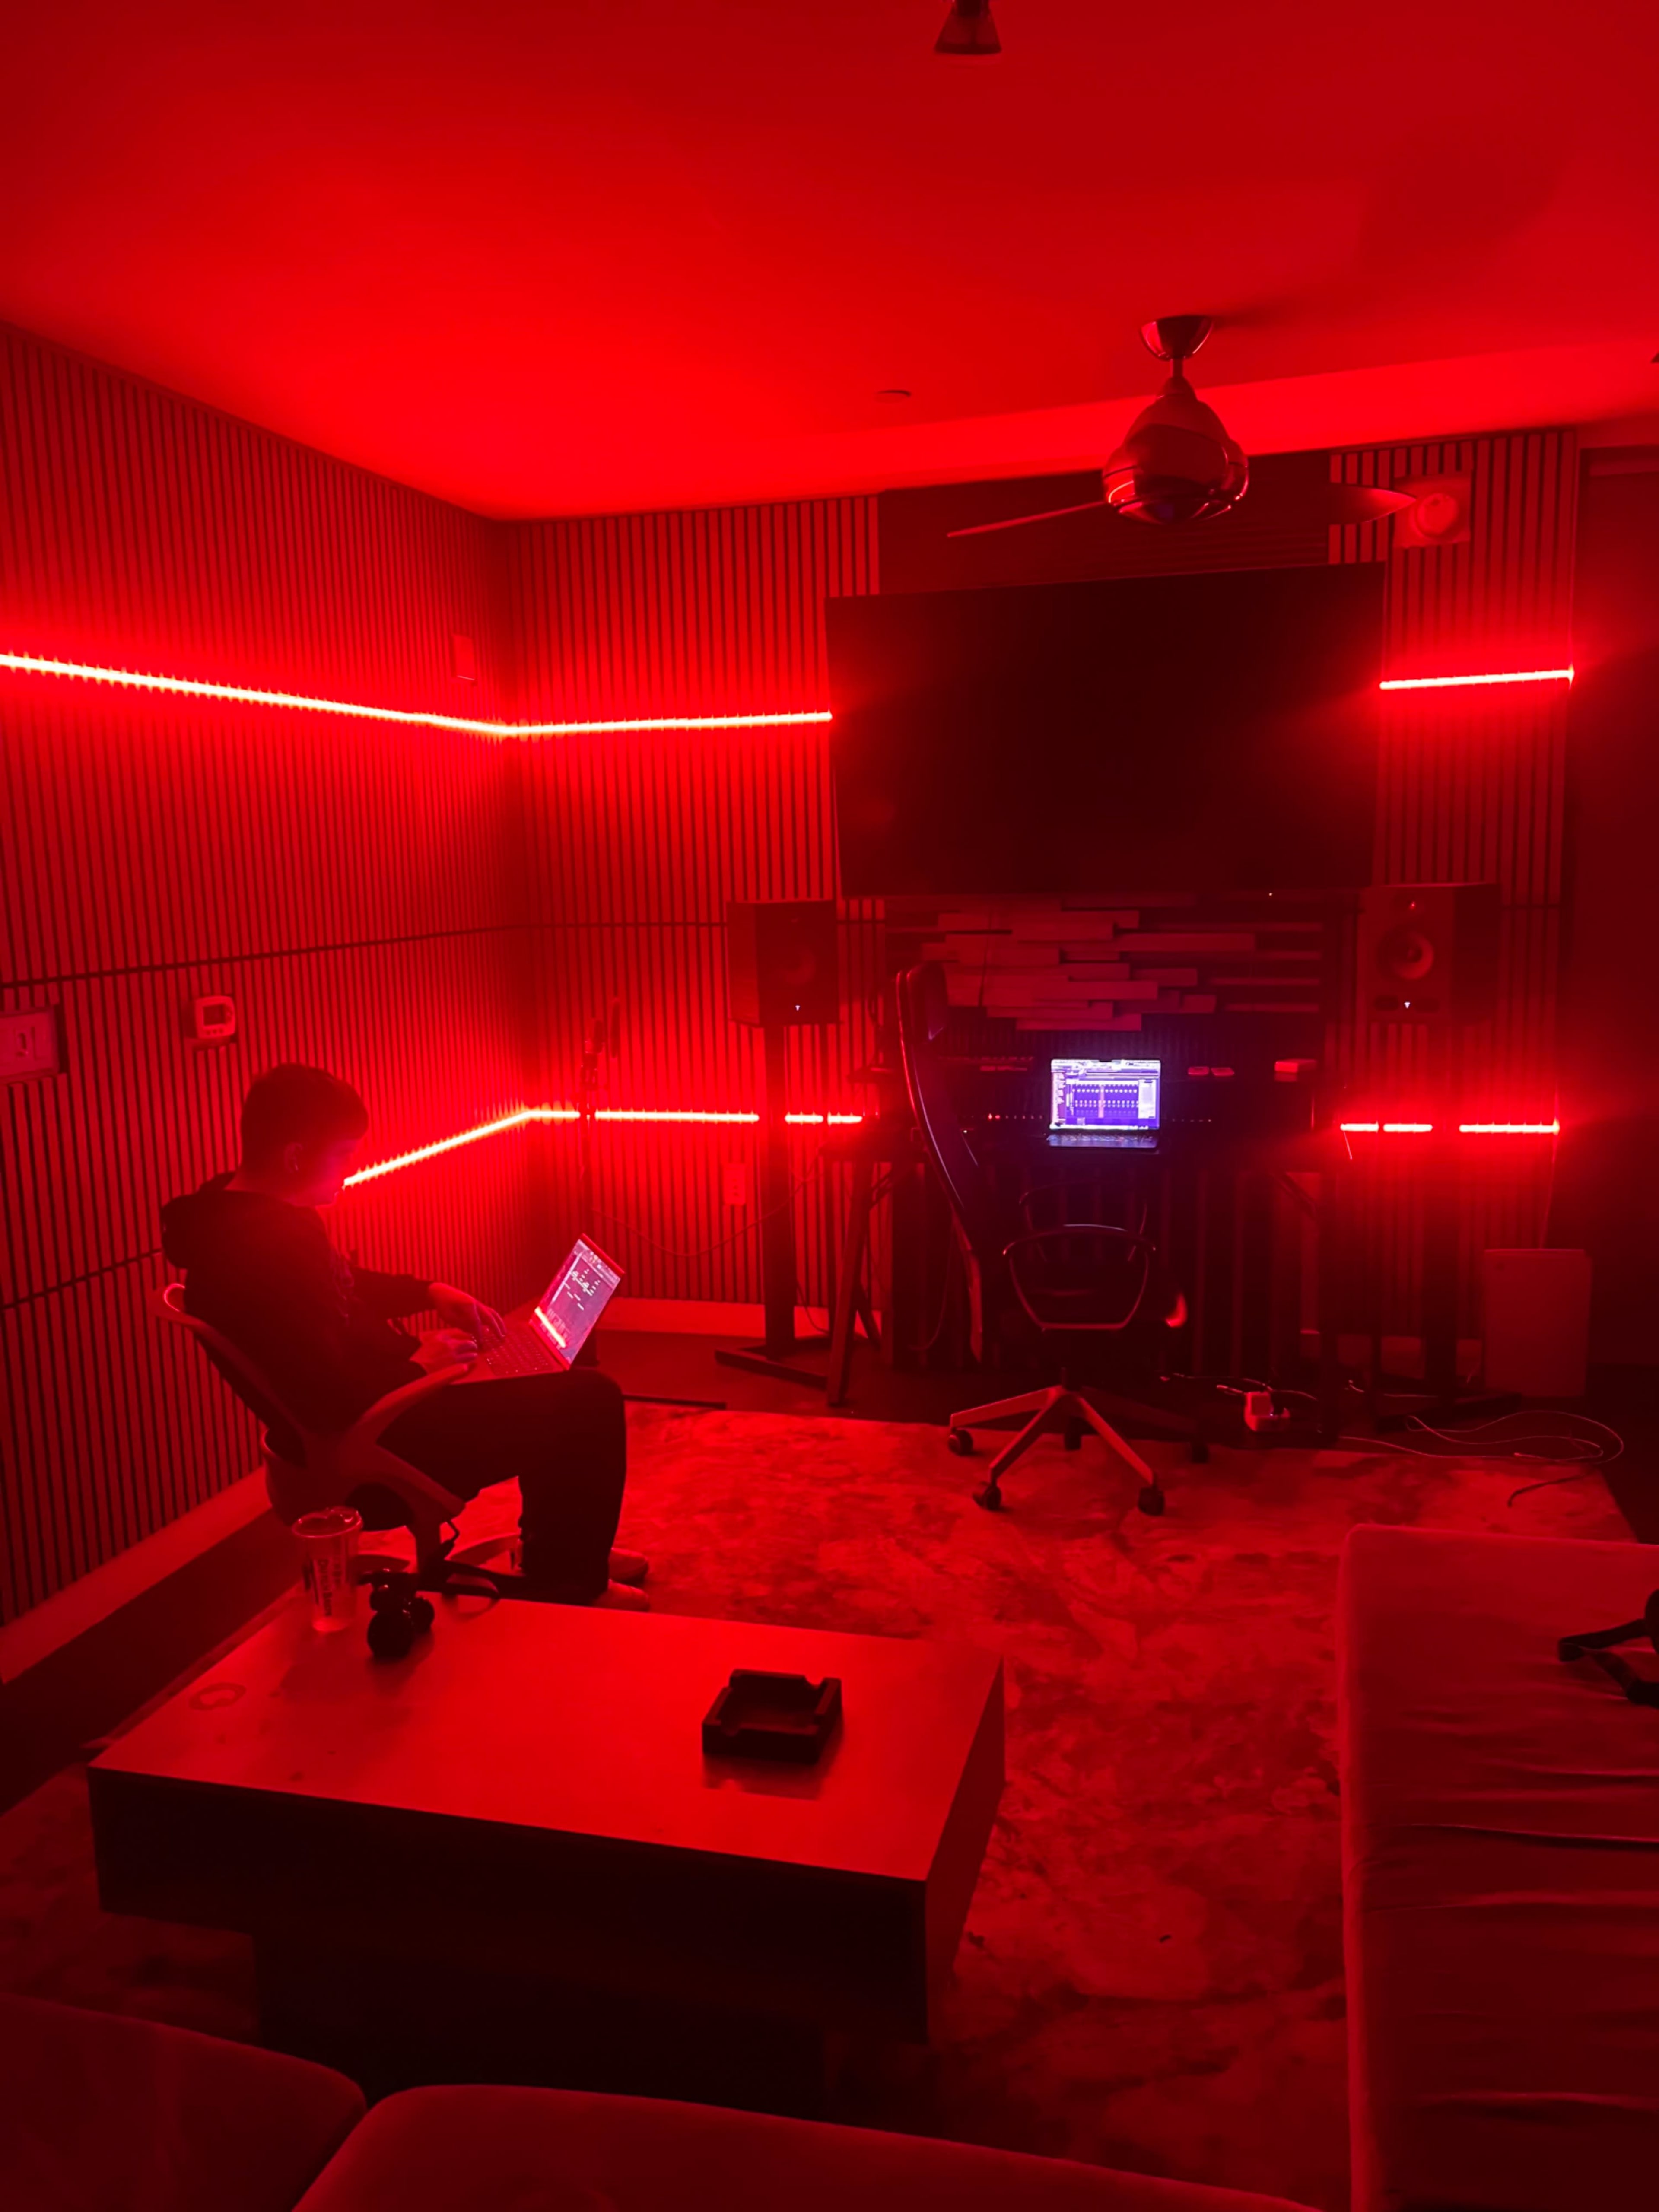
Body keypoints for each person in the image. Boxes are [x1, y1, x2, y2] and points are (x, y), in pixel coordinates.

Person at [160, 1064, 647, 1609]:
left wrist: (430, 1292)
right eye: (343, 1154)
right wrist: (422, 1365)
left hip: (380, 1403)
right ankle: (570, 1582)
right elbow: (325, 1399)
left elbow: (335, 1285)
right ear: (295, 1156)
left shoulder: (226, 1215)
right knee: (588, 1399)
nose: (351, 1169)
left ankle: (561, 1551)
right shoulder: (272, 1247)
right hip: (378, 1435)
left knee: (543, 1378)